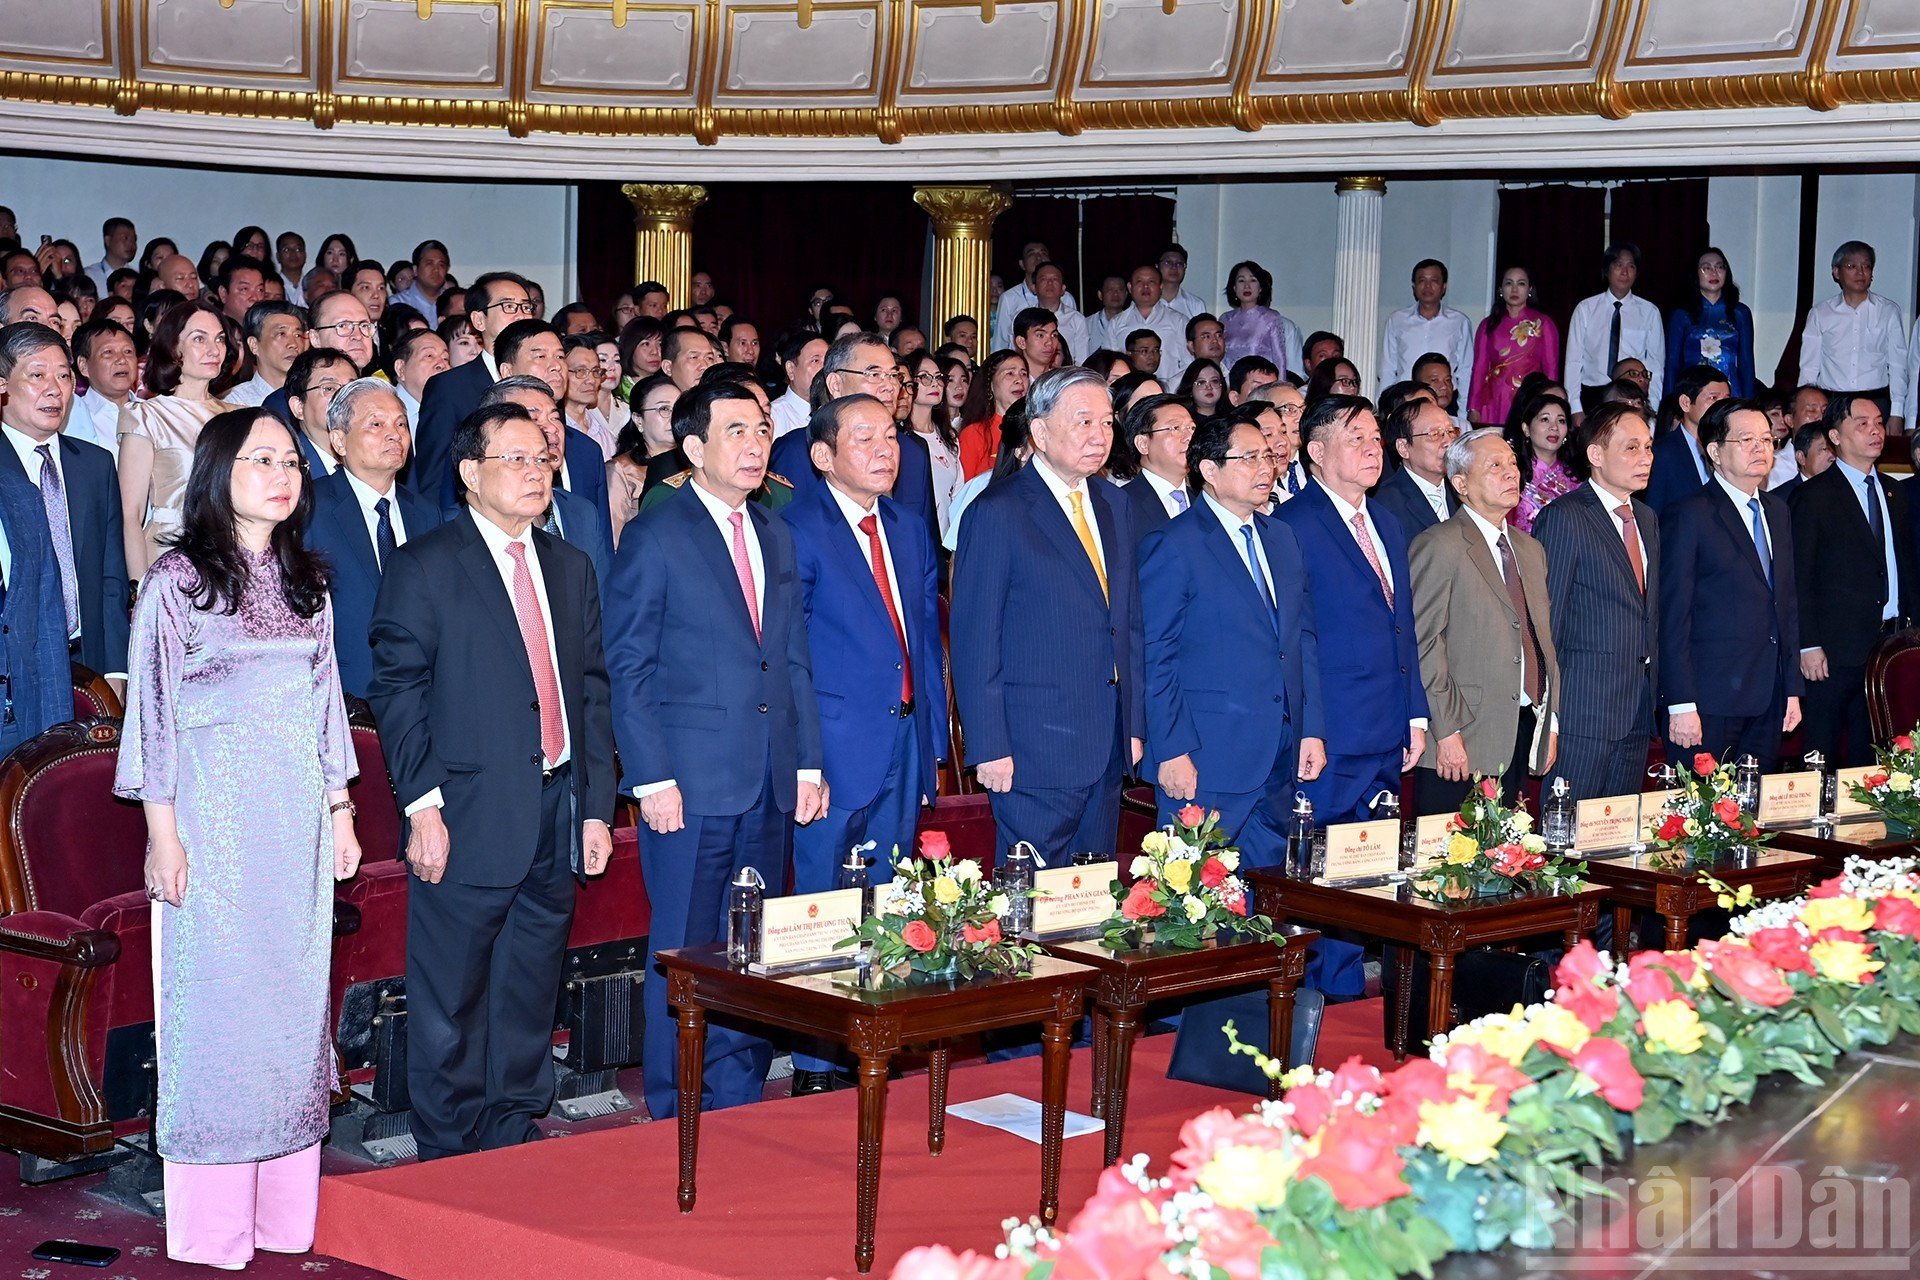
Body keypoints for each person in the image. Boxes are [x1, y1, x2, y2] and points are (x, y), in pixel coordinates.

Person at [115, 407, 360, 1268]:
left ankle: (284, 1216)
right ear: (220, 472)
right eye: (262, 459)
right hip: (211, 829)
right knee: (218, 1018)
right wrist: (163, 837)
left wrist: (341, 811)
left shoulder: (307, 583)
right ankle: (214, 1228)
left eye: (290, 461)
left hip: (296, 829)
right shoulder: (178, 581)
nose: (281, 475)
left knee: (292, 1017)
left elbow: (326, 703)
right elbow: (151, 716)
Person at [367, 400, 615, 1162]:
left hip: (556, 805)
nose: (536, 472)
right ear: (471, 473)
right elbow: (398, 693)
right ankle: (447, 1143)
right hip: (465, 809)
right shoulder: (426, 564)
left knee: (530, 982)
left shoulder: (569, 565)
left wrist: (597, 808)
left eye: (544, 458)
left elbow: (591, 692)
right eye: (517, 458)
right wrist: (423, 807)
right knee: (451, 992)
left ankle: (512, 1121)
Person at [604, 382, 824, 1119]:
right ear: (694, 448)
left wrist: (807, 762)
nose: (756, 445)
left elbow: (792, 661)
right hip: (690, 785)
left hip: (768, 778)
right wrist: (650, 777)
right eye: (737, 432)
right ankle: (678, 1105)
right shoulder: (656, 535)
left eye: (762, 430)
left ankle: (738, 1099)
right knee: (687, 948)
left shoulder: (775, 532)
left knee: (752, 947)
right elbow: (628, 666)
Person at [780, 393, 947, 1094]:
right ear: (822, 455)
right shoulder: (796, 527)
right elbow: (788, 653)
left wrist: (932, 741)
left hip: (903, 736)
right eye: (864, 438)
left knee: (888, 893)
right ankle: (818, 1061)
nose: (886, 450)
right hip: (833, 745)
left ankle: (874, 1036)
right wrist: (804, 758)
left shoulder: (907, 525)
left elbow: (923, 640)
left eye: (891, 436)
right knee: (825, 897)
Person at [952, 367, 1143, 863]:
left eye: (1107, 422)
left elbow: (1127, 623)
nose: (1100, 436)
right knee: (1033, 896)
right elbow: (975, 640)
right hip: (1031, 748)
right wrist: (989, 745)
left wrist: (1134, 723)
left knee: (1094, 894)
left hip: (1106, 741)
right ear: (1039, 431)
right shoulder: (998, 511)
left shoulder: (1114, 503)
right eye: (1084, 422)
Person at [1140, 412, 1324, 866]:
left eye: (1268, 457)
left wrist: (1312, 730)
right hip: (1207, 758)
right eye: (1249, 458)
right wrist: (1171, 750)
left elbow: (1301, 641)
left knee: (1271, 894)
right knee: (1194, 894)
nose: (1266, 468)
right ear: (1209, 469)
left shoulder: (1282, 538)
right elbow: (1156, 657)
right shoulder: (1174, 543)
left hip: (1280, 755)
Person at [1272, 395, 1427, 821]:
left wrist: (1415, 715)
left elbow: (1403, 626)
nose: (1373, 449)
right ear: (1317, 451)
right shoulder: (1289, 524)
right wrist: (1310, 730)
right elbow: (1295, 640)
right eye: (1356, 438)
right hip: (1331, 737)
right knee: (1320, 854)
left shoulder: (1387, 522)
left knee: (1376, 856)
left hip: (1389, 730)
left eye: (1376, 438)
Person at [1407, 428, 1560, 815]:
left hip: (1522, 727)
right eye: (1494, 466)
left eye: (1512, 463)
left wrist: (1551, 722)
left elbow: (1542, 640)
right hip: (1462, 734)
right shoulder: (1439, 544)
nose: (1511, 473)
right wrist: (1446, 730)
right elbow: (1424, 643)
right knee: (1451, 850)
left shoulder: (1530, 549)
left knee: (1513, 847)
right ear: (1460, 483)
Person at [1660, 399, 1803, 771]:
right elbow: (1673, 616)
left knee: (1756, 805)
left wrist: (1791, 689)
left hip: (1768, 696)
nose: (1760, 448)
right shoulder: (1689, 514)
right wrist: (1681, 703)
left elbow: (1785, 605)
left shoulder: (1777, 511)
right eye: (1746, 440)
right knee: (1702, 806)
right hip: (1708, 701)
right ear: (1715, 452)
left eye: (1766, 440)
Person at [1536, 402, 1662, 801]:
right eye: (1631, 448)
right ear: (1596, 454)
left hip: (1636, 707)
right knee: (1567, 827)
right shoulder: (1565, 517)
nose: (1645, 458)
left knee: (1617, 830)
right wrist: (1550, 715)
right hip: (1582, 711)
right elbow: (1548, 623)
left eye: (1648, 447)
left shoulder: (1646, 518)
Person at [0, 322, 129, 693]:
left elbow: (111, 576)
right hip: (12, 668)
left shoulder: (95, 465)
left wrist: (115, 669)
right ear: (3, 384)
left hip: (86, 663)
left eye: (63, 375)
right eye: (37, 375)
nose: (54, 389)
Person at [1792, 393, 1916, 766]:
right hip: (1833, 649)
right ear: (1835, 436)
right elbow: (1799, 576)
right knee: (1823, 753)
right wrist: (1808, 643)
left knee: (1875, 755)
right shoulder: (1813, 496)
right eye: (1862, 424)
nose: (1875, 431)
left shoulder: (1895, 491)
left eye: (1878, 423)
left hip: (1888, 644)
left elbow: (1905, 565)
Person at [304, 378, 441, 700]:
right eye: (376, 424)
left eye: (401, 424)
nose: (394, 434)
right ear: (339, 441)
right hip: (345, 691)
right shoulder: (309, 507)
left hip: (422, 692)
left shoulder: (426, 513)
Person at [120, 301, 233, 579]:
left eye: (220, 339)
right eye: (199, 339)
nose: (214, 349)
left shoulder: (238, 416)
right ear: (172, 348)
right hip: (169, 551)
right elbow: (130, 514)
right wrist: (137, 586)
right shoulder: (147, 415)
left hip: (229, 551)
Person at [411, 271, 535, 501]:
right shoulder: (449, 387)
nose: (521, 315)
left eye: (526, 307)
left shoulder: (542, 382)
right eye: (509, 306)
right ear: (479, 320)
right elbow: (433, 476)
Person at [1799, 241, 1907, 432]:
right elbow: (1809, 367)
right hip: (1833, 403)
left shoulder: (1888, 311)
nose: (1860, 272)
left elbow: (1898, 365)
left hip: (1876, 402)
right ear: (1836, 272)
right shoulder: (1821, 313)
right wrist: (1806, 407)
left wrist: (1897, 413)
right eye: (1851, 266)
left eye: (1866, 266)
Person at [1564, 243, 1665, 415]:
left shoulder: (1650, 312)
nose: (1624, 272)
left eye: (1631, 266)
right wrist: (1575, 408)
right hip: (1592, 395)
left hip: (1632, 396)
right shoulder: (1585, 309)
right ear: (1607, 269)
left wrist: (1652, 411)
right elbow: (1573, 362)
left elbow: (1656, 366)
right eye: (1618, 265)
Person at [262, 290, 373, 427]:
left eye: (364, 325)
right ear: (315, 338)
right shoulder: (283, 406)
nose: (358, 335)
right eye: (343, 326)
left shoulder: (380, 393)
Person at [1665, 248, 1756, 399]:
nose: (1714, 273)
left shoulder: (1740, 313)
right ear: (1696, 273)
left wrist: (1750, 403)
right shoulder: (1681, 315)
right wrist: (1669, 404)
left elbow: (1746, 363)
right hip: (1694, 394)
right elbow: (1672, 364)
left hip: (1731, 393)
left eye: (1719, 267)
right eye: (1706, 268)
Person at [1644, 363, 1729, 516]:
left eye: (1726, 400)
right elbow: (1653, 513)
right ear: (1686, 403)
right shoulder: (1662, 454)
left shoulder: (1731, 448)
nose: (1722, 407)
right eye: (1713, 398)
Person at [1380, 260, 1474, 392]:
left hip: (1444, 396)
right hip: (1406, 396)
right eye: (1422, 280)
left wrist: (1463, 404)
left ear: (1444, 287)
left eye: (1434, 281)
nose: (1427, 286)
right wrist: (1383, 400)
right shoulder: (1396, 320)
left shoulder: (1459, 322)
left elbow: (1466, 370)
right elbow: (1388, 369)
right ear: (1414, 286)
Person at [1373, 397, 1459, 537]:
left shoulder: (1464, 491)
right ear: (1403, 447)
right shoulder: (1383, 504)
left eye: (1451, 431)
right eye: (1434, 434)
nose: (1448, 442)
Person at [1120, 393, 1197, 540]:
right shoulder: (1122, 504)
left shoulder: (1204, 502)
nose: (1189, 437)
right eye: (1175, 428)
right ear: (1143, 444)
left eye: (1192, 428)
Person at [1506, 386, 1576, 534]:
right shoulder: (1511, 472)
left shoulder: (1577, 476)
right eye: (1545, 419)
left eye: (1561, 421)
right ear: (1526, 429)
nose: (1554, 427)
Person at [1221, 260, 1303, 378]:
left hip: (1260, 382)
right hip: (1230, 383)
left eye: (1253, 280)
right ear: (1234, 287)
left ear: (1260, 288)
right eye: (1241, 280)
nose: (1247, 286)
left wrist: (1279, 386)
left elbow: (1279, 359)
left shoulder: (1270, 318)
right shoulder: (1225, 319)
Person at [68, 317, 137, 458]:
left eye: (128, 351)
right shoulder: (72, 419)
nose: (122, 359)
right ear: (84, 365)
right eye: (108, 352)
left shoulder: (154, 413)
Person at [956, 349, 1029, 479]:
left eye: (1023, 374)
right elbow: (965, 487)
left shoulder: (1036, 429)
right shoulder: (974, 434)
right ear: (991, 386)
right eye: (1010, 373)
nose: (1019, 380)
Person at [283, 347, 357, 476]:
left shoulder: (372, 457)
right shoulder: (288, 468)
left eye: (352, 389)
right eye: (329, 388)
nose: (345, 396)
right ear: (299, 407)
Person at [993, 241, 1078, 352]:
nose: (1038, 257)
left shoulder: (1066, 297)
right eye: (1031, 254)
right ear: (1022, 264)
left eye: (1043, 253)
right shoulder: (1009, 298)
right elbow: (1001, 342)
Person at [224, 301, 307, 408]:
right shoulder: (233, 403)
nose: (293, 344)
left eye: (298, 335)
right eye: (281, 334)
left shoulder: (312, 396)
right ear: (254, 345)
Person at [1114, 265, 1191, 382]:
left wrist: (1169, 388)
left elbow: (1189, 364)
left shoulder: (1179, 321)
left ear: (1160, 287)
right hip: (1128, 389)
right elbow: (1111, 365)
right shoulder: (1116, 323)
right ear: (1130, 287)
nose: (1145, 286)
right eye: (1139, 281)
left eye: (1151, 282)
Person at [391, 326, 451, 427]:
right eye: (429, 356)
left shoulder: (452, 412)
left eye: (446, 358)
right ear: (401, 368)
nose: (442, 364)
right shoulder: (380, 410)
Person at [772, 332, 829, 438]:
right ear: (791, 369)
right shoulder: (773, 417)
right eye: (815, 361)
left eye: (827, 361)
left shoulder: (836, 411)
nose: (825, 369)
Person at [1772, 419, 1835, 503]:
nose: (1833, 457)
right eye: (1825, 449)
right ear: (1801, 457)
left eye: (1835, 449)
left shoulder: (1844, 491)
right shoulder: (1780, 499)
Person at [390, 240, 452, 319]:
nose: (436, 269)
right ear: (415, 270)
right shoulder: (398, 302)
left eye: (441, 265)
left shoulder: (452, 302)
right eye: (429, 264)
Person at [84, 217, 137, 294]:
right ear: (107, 240)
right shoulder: (88, 275)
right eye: (125, 238)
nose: (131, 244)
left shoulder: (138, 278)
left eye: (134, 239)